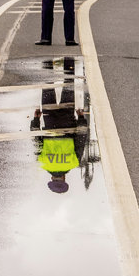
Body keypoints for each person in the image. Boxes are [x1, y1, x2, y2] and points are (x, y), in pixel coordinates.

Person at [31, 57, 90, 194]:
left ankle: (68, 59)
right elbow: (36, 141)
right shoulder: (43, 163)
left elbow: (80, 140)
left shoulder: (73, 163)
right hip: (49, 119)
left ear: (64, 178)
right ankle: (46, 59)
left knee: (68, 83)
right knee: (48, 85)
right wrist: (36, 120)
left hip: (67, 119)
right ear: (52, 178)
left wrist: (81, 118)